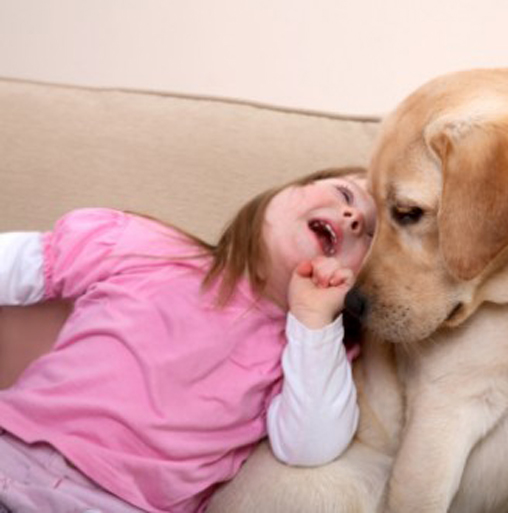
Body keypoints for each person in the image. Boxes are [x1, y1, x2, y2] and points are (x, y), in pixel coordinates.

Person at [0, 166, 377, 513]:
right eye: (345, 194)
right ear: (282, 192)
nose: (354, 217)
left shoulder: (306, 349)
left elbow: (308, 447)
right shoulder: (146, 246)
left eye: (373, 236)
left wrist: (314, 320)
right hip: (12, 447)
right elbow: (15, 264)